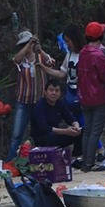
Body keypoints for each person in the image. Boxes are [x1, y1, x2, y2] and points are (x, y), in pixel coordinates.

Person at [40, 24, 86, 165]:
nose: (66, 44)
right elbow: (61, 73)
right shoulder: (69, 55)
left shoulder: (86, 54)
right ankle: (81, 155)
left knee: (84, 126)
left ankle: (93, 151)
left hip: (84, 94)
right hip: (71, 95)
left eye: (68, 41)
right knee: (79, 125)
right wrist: (44, 68)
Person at [7, 30, 55, 161]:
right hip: (23, 102)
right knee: (17, 134)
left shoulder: (40, 58)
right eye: (23, 45)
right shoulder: (21, 60)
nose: (27, 47)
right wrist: (29, 44)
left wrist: (40, 50)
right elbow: (16, 60)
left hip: (40, 102)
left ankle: (41, 158)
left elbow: (51, 63)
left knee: (42, 132)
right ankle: (11, 161)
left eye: (28, 44)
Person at [77, 22, 105, 172]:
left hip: (84, 97)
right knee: (95, 131)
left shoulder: (82, 53)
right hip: (98, 97)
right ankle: (89, 162)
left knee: (88, 130)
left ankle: (86, 161)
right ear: (101, 37)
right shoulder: (99, 55)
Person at [30, 79, 82, 150]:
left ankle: (77, 156)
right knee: (51, 135)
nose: (54, 93)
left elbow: (70, 118)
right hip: (41, 138)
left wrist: (76, 125)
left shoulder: (60, 103)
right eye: (51, 90)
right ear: (45, 92)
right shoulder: (39, 106)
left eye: (57, 91)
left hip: (56, 134)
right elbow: (44, 128)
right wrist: (66, 131)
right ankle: (49, 155)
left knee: (80, 132)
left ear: (60, 93)